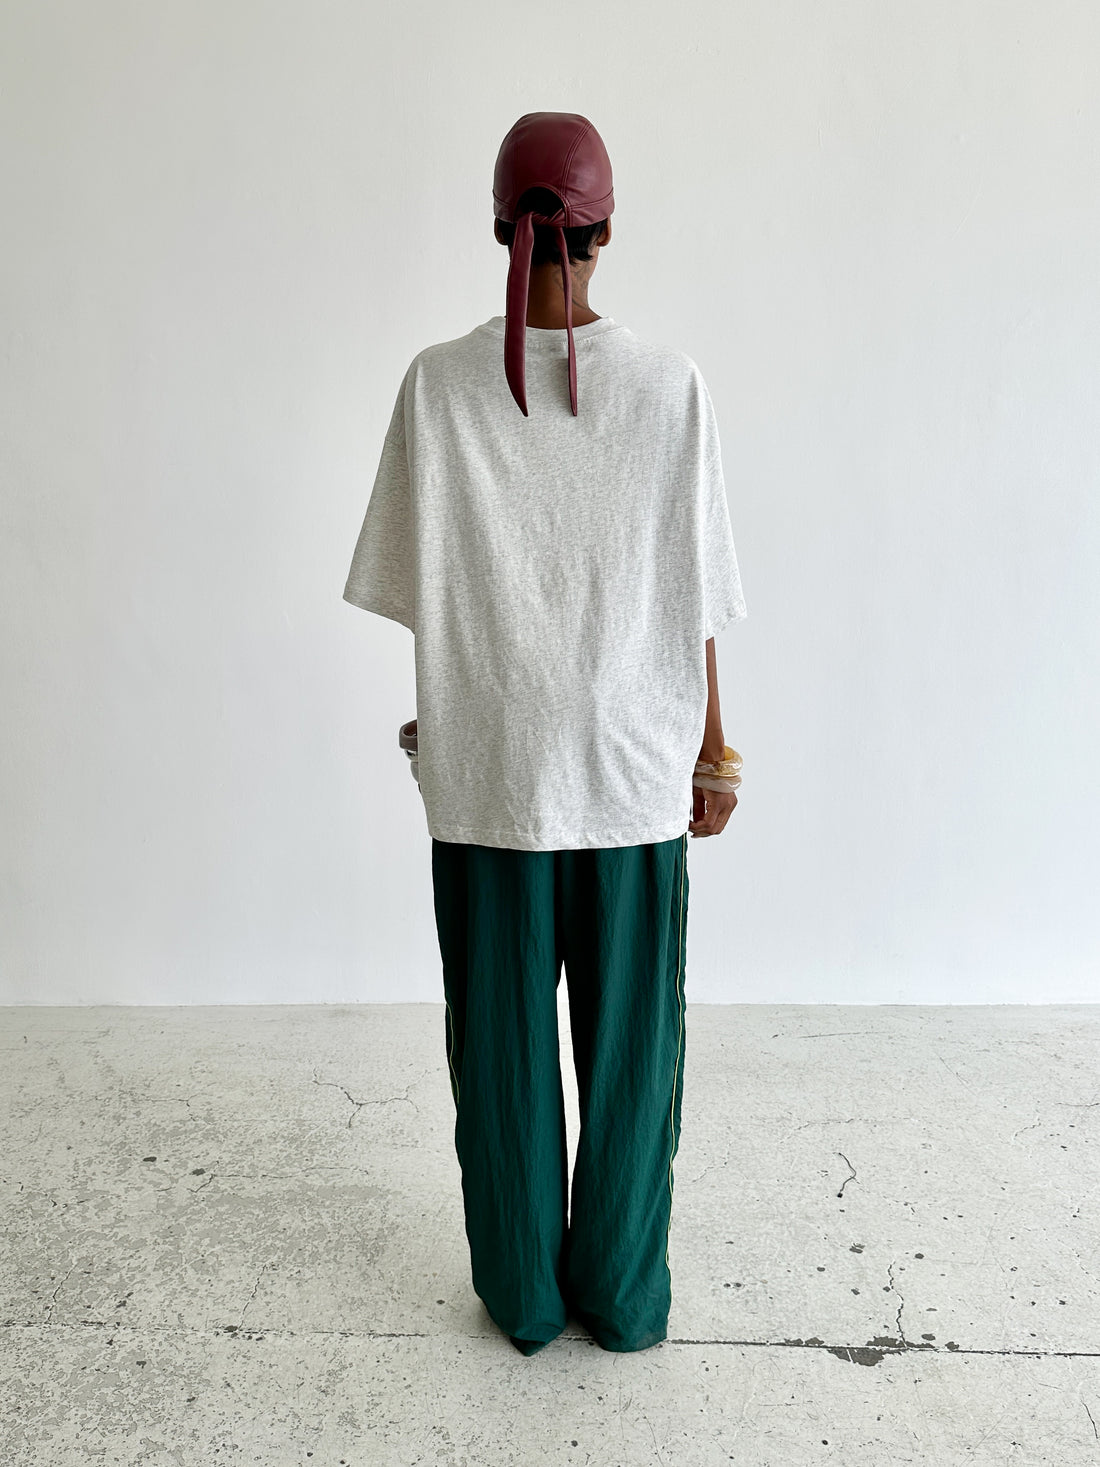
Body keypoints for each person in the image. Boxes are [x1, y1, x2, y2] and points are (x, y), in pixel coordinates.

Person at [342, 112, 747, 1356]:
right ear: (606, 229)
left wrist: (456, 706)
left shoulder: (436, 383)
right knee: (630, 1067)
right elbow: (694, 601)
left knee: (502, 1065)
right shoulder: (670, 388)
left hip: (487, 781)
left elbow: (428, 588)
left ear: (497, 228)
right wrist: (715, 752)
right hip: (630, 774)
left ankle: (520, 1299)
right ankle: (619, 1300)